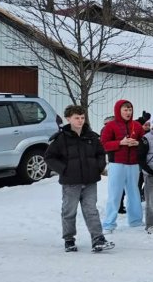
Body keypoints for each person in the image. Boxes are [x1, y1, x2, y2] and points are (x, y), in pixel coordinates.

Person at [46, 105, 114, 253]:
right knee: (69, 211)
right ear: (68, 118)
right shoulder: (61, 138)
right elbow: (49, 157)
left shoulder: (91, 136)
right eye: (77, 118)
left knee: (91, 210)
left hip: (90, 181)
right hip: (71, 183)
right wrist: (64, 170)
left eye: (82, 118)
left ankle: (98, 239)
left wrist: (98, 166)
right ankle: (69, 240)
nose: (80, 121)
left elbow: (100, 153)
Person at [100, 99, 145, 232]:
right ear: (118, 111)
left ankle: (136, 221)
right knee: (115, 194)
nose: (128, 112)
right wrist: (120, 143)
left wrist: (138, 144)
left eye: (130, 109)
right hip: (117, 164)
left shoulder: (137, 126)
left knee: (134, 193)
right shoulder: (110, 126)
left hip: (134, 164)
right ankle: (109, 224)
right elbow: (103, 145)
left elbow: (144, 142)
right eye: (125, 110)